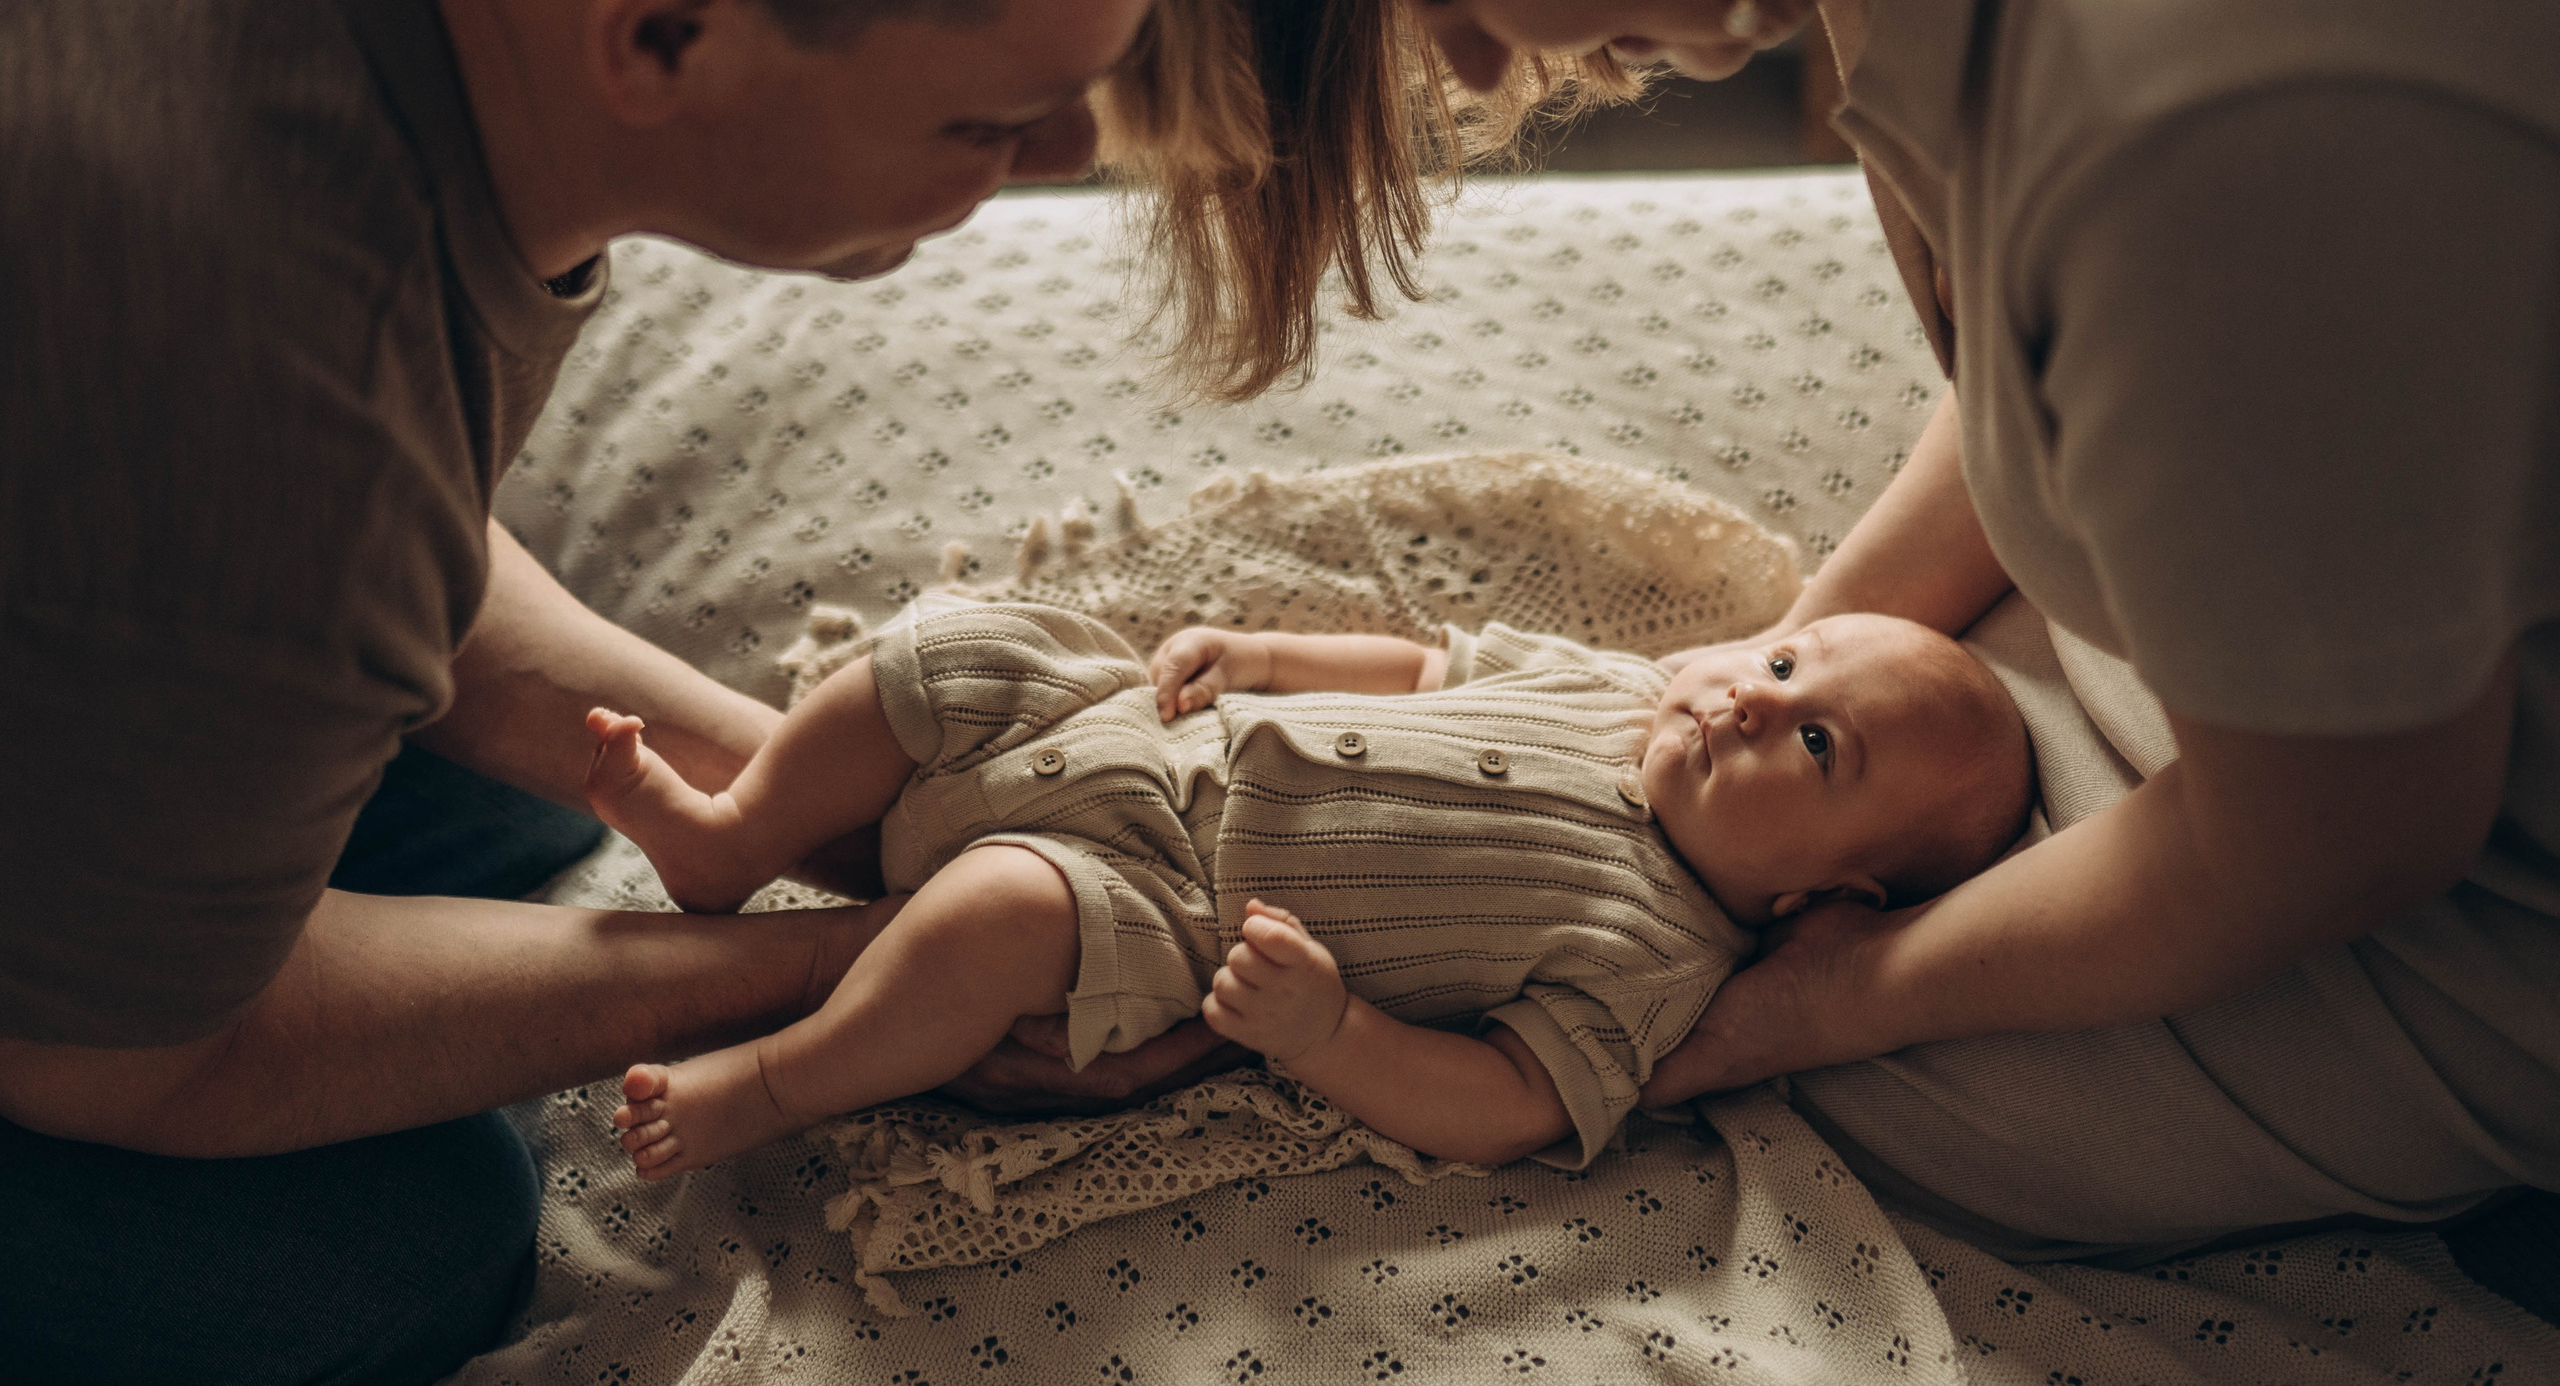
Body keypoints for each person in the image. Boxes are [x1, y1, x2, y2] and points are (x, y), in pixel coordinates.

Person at [1118, 0, 2560, 1281]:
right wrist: (1755, 670)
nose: (1466, 60)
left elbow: (2345, 837)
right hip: (2338, 643)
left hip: (2449, 834)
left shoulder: (2202, 97)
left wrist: (1822, 998)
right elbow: (2058, 354)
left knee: (1829, 1116)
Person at [0, 0, 1185, 1378]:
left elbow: (384, 534)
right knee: (397, 1244)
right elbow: (131, 1065)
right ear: (661, 39)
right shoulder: (270, 360)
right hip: (97, 996)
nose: (1070, 155)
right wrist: (854, 971)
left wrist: (825, 794)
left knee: (484, 811)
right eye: (988, 117)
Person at [580, 596, 2029, 1177]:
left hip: (1147, 892)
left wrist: (1332, 1036)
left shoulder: (1660, 959)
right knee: (958, 647)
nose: (1755, 702)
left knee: (998, 919)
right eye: (1782, 663)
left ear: (1829, 898)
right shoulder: (1617, 686)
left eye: (1819, 742)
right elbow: (1424, 666)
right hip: (1117, 730)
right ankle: (734, 830)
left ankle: (766, 1085)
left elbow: (1511, 1105)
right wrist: (1269, 651)